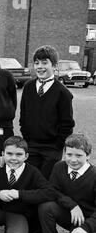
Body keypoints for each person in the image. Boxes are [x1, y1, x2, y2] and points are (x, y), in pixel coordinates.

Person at [38, 134, 96, 233]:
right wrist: (72, 205)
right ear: (64, 153)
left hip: (89, 219)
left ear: (88, 155)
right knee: (45, 206)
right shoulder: (59, 167)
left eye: (78, 155)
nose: (73, 160)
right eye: (69, 154)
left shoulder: (94, 175)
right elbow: (52, 191)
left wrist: (86, 227)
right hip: (70, 214)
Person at [20, 45, 74, 179]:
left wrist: (58, 145)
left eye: (45, 63)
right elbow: (24, 116)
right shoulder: (28, 87)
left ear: (55, 66)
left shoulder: (63, 93)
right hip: (31, 145)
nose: (40, 66)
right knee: (29, 180)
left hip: (51, 148)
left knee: (46, 183)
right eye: (37, 63)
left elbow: (67, 124)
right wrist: (27, 138)